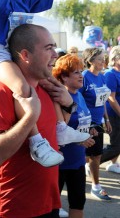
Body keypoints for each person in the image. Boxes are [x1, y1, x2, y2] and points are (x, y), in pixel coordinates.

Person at [0, 0, 101, 167]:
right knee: (22, 88)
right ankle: (37, 142)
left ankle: (61, 128)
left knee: (51, 83)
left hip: (18, 52)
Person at [0, 24, 78, 218]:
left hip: (48, 203)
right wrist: (29, 118)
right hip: (12, 207)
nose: (55, 55)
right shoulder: (0, 93)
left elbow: (55, 134)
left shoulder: (47, 90)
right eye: (48, 48)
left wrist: (69, 106)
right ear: (25, 55)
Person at [52, 54, 95, 218]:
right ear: (63, 76)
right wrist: (80, 137)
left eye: (81, 71)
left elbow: (81, 121)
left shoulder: (79, 94)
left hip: (77, 162)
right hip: (59, 164)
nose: (81, 76)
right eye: (76, 72)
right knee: (51, 209)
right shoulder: (59, 97)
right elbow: (60, 131)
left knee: (78, 204)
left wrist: (90, 129)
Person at [79, 47, 112, 201]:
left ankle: (89, 174)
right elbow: (78, 100)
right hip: (87, 123)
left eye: (103, 58)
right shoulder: (84, 76)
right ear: (90, 61)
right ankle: (96, 187)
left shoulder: (102, 77)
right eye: (99, 59)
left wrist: (107, 119)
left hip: (99, 121)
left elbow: (103, 100)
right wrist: (89, 124)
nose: (103, 61)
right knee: (95, 155)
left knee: (92, 155)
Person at [100, 46, 120, 173]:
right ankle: (90, 161)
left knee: (117, 143)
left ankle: (113, 164)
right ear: (116, 58)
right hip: (114, 113)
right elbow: (111, 98)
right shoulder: (110, 74)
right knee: (116, 145)